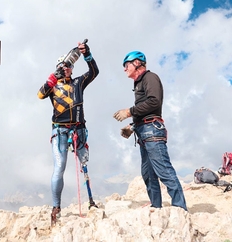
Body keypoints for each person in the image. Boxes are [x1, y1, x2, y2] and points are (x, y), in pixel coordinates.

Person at [113, 50, 187, 211]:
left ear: (137, 63)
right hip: (145, 132)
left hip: (152, 131)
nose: (124, 68)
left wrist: (129, 112)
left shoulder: (150, 78)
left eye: (127, 64)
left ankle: (180, 210)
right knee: (148, 174)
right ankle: (156, 207)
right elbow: (146, 109)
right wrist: (132, 126)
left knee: (164, 170)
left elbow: (154, 102)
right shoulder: (139, 82)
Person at [37, 41, 99, 225]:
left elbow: (94, 72)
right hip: (60, 131)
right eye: (63, 66)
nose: (67, 68)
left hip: (79, 128)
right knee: (60, 167)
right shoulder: (52, 85)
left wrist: (87, 54)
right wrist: (52, 78)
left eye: (69, 65)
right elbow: (40, 95)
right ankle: (56, 207)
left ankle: (91, 201)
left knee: (84, 162)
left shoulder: (79, 82)